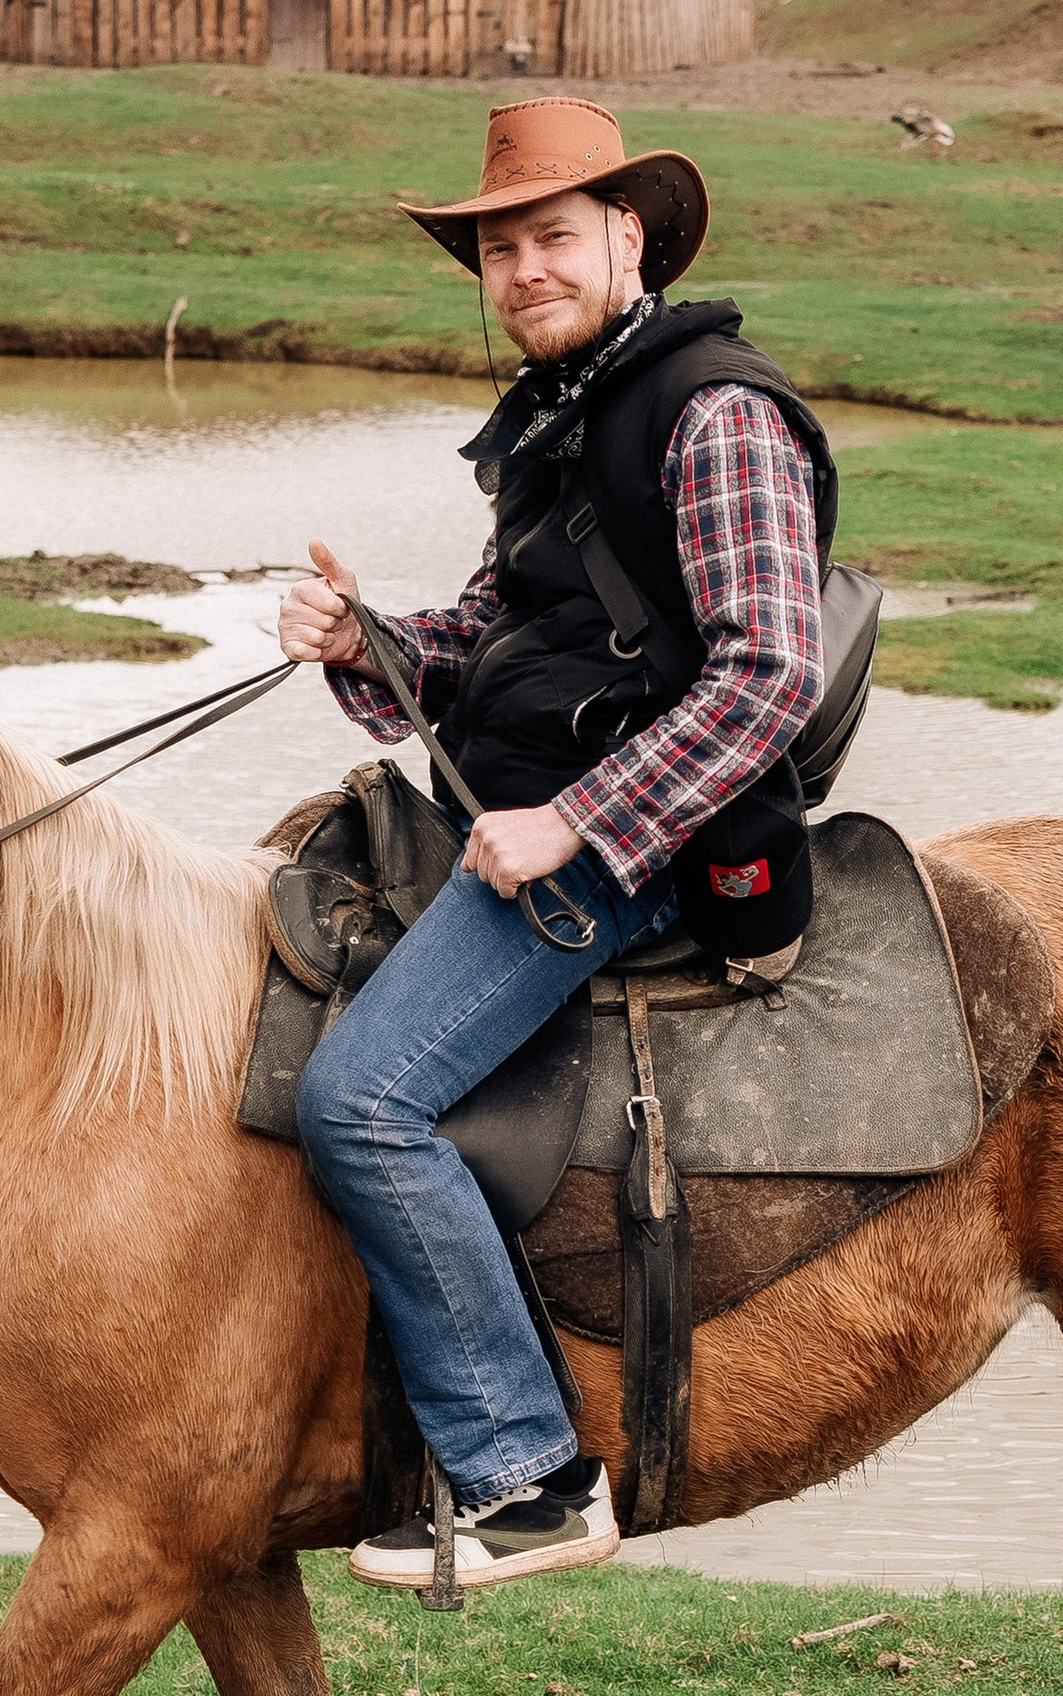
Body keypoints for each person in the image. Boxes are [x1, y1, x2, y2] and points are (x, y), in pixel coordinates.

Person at [278, 98, 839, 1592]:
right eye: (499, 247)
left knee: (362, 1100)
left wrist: (577, 823)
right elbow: (491, 641)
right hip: (528, 812)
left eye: (551, 238)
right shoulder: (563, 412)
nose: (522, 268)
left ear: (626, 238)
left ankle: (528, 1475)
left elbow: (769, 671)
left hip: (635, 841)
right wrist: (366, 639)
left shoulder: (715, 412)